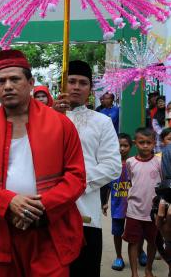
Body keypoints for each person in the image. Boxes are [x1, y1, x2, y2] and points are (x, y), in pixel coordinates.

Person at [0, 50, 86, 277]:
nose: (8, 86)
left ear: (31, 83)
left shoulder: (60, 125)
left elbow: (76, 177)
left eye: (15, 79)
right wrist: (10, 201)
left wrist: (41, 208)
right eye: (1, 81)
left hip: (50, 230)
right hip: (5, 229)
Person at [54, 60, 121, 277]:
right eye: (71, 81)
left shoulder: (101, 122)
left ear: (90, 89)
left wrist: (73, 182)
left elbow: (112, 166)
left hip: (85, 210)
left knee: (83, 270)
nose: (76, 87)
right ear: (62, 85)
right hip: (47, 209)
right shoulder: (46, 119)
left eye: (83, 83)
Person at [124, 128, 162, 277]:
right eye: (141, 142)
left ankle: (148, 269)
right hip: (134, 210)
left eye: (148, 143)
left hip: (153, 212)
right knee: (133, 241)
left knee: (153, 242)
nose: (145, 146)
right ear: (135, 143)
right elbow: (131, 181)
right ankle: (134, 273)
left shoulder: (159, 162)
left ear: (154, 144)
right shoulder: (130, 162)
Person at [102, 133, 133, 271]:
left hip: (134, 206)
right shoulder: (111, 165)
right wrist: (104, 202)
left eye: (125, 146)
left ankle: (140, 252)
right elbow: (106, 185)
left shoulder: (133, 164)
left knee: (136, 231)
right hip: (117, 206)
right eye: (119, 146)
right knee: (117, 232)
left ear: (131, 147)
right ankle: (119, 256)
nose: (122, 149)